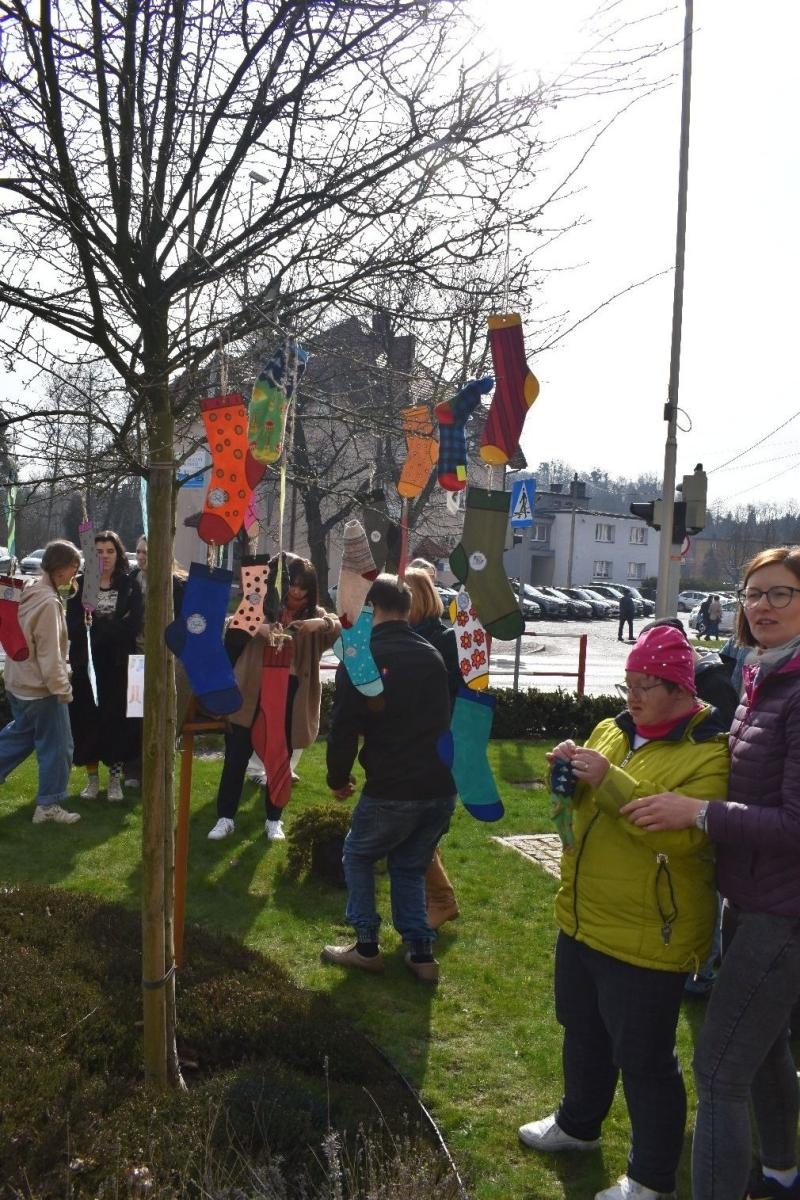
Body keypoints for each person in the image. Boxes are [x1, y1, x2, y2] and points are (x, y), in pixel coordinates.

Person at [518, 624, 730, 1200]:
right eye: (628, 682)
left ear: (681, 689)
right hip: (584, 917)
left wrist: (608, 779)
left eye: (645, 684)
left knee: (645, 1061)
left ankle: (650, 1177)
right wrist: (566, 774)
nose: (631, 696)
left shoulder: (710, 750)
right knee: (581, 1031)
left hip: (649, 934)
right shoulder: (613, 729)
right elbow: (583, 809)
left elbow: (683, 841)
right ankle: (577, 1125)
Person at [622, 546, 800, 1200]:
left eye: (781, 593)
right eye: (754, 593)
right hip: (752, 900)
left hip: (784, 913)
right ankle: (783, 1174)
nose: (763, 606)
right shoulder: (763, 676)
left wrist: (698, 812)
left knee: (720, 1069)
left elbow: (793, 823)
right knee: (765, 1053)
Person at [322, 574, 456, 984]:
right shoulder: (431, 653)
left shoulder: (361, 656)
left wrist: (337, 778)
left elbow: (344, 725)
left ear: (372, 608)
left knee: (359, 855)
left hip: (393, 786)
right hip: (438, 787)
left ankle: (365, 946)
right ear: (407, 607)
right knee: (410, 866)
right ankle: (420, 952)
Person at [207, 553, 340, 842]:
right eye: (293, 584)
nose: (296, 592)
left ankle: (273, 820)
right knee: (236, 756)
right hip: (252, 692)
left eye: (303, 587)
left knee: (280, 759)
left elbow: (339, 625)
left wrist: (319, 624)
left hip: (290, 695)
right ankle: (225, 817)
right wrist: (260, 627)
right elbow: (232, 623)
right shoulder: (264, 604)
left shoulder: (314, 616)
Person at [0, 540, 82, 824]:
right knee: (59, 746)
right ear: (61, 569)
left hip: (18, 682)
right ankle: (48, 805)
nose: (75, 575)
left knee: (19, 737)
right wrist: (63, 690)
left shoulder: (31, 589)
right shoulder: (47, 602)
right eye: (74, 569)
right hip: (40, 689)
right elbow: (49, 653)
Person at [67, 530, 143, 801]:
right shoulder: (80, 585)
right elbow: (75, 626)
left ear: (118, 553)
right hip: (87, 666)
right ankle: (91, 780)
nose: (104, 556)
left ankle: (114, 780)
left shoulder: (129, 585)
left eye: (110, 551)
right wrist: (109, 625)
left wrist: (98, 628)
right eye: (98, 552)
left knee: (117, 722)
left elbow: (134, 624)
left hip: (119, 666)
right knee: (88, 720)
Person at [406, 566, 461, 929]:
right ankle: (436, 898)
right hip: (411, 744)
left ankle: (441, 899)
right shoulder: (407, 635)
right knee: (416, 826)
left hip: (435, 746)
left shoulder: (443, 640)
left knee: (418, 826)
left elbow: (449, 697)